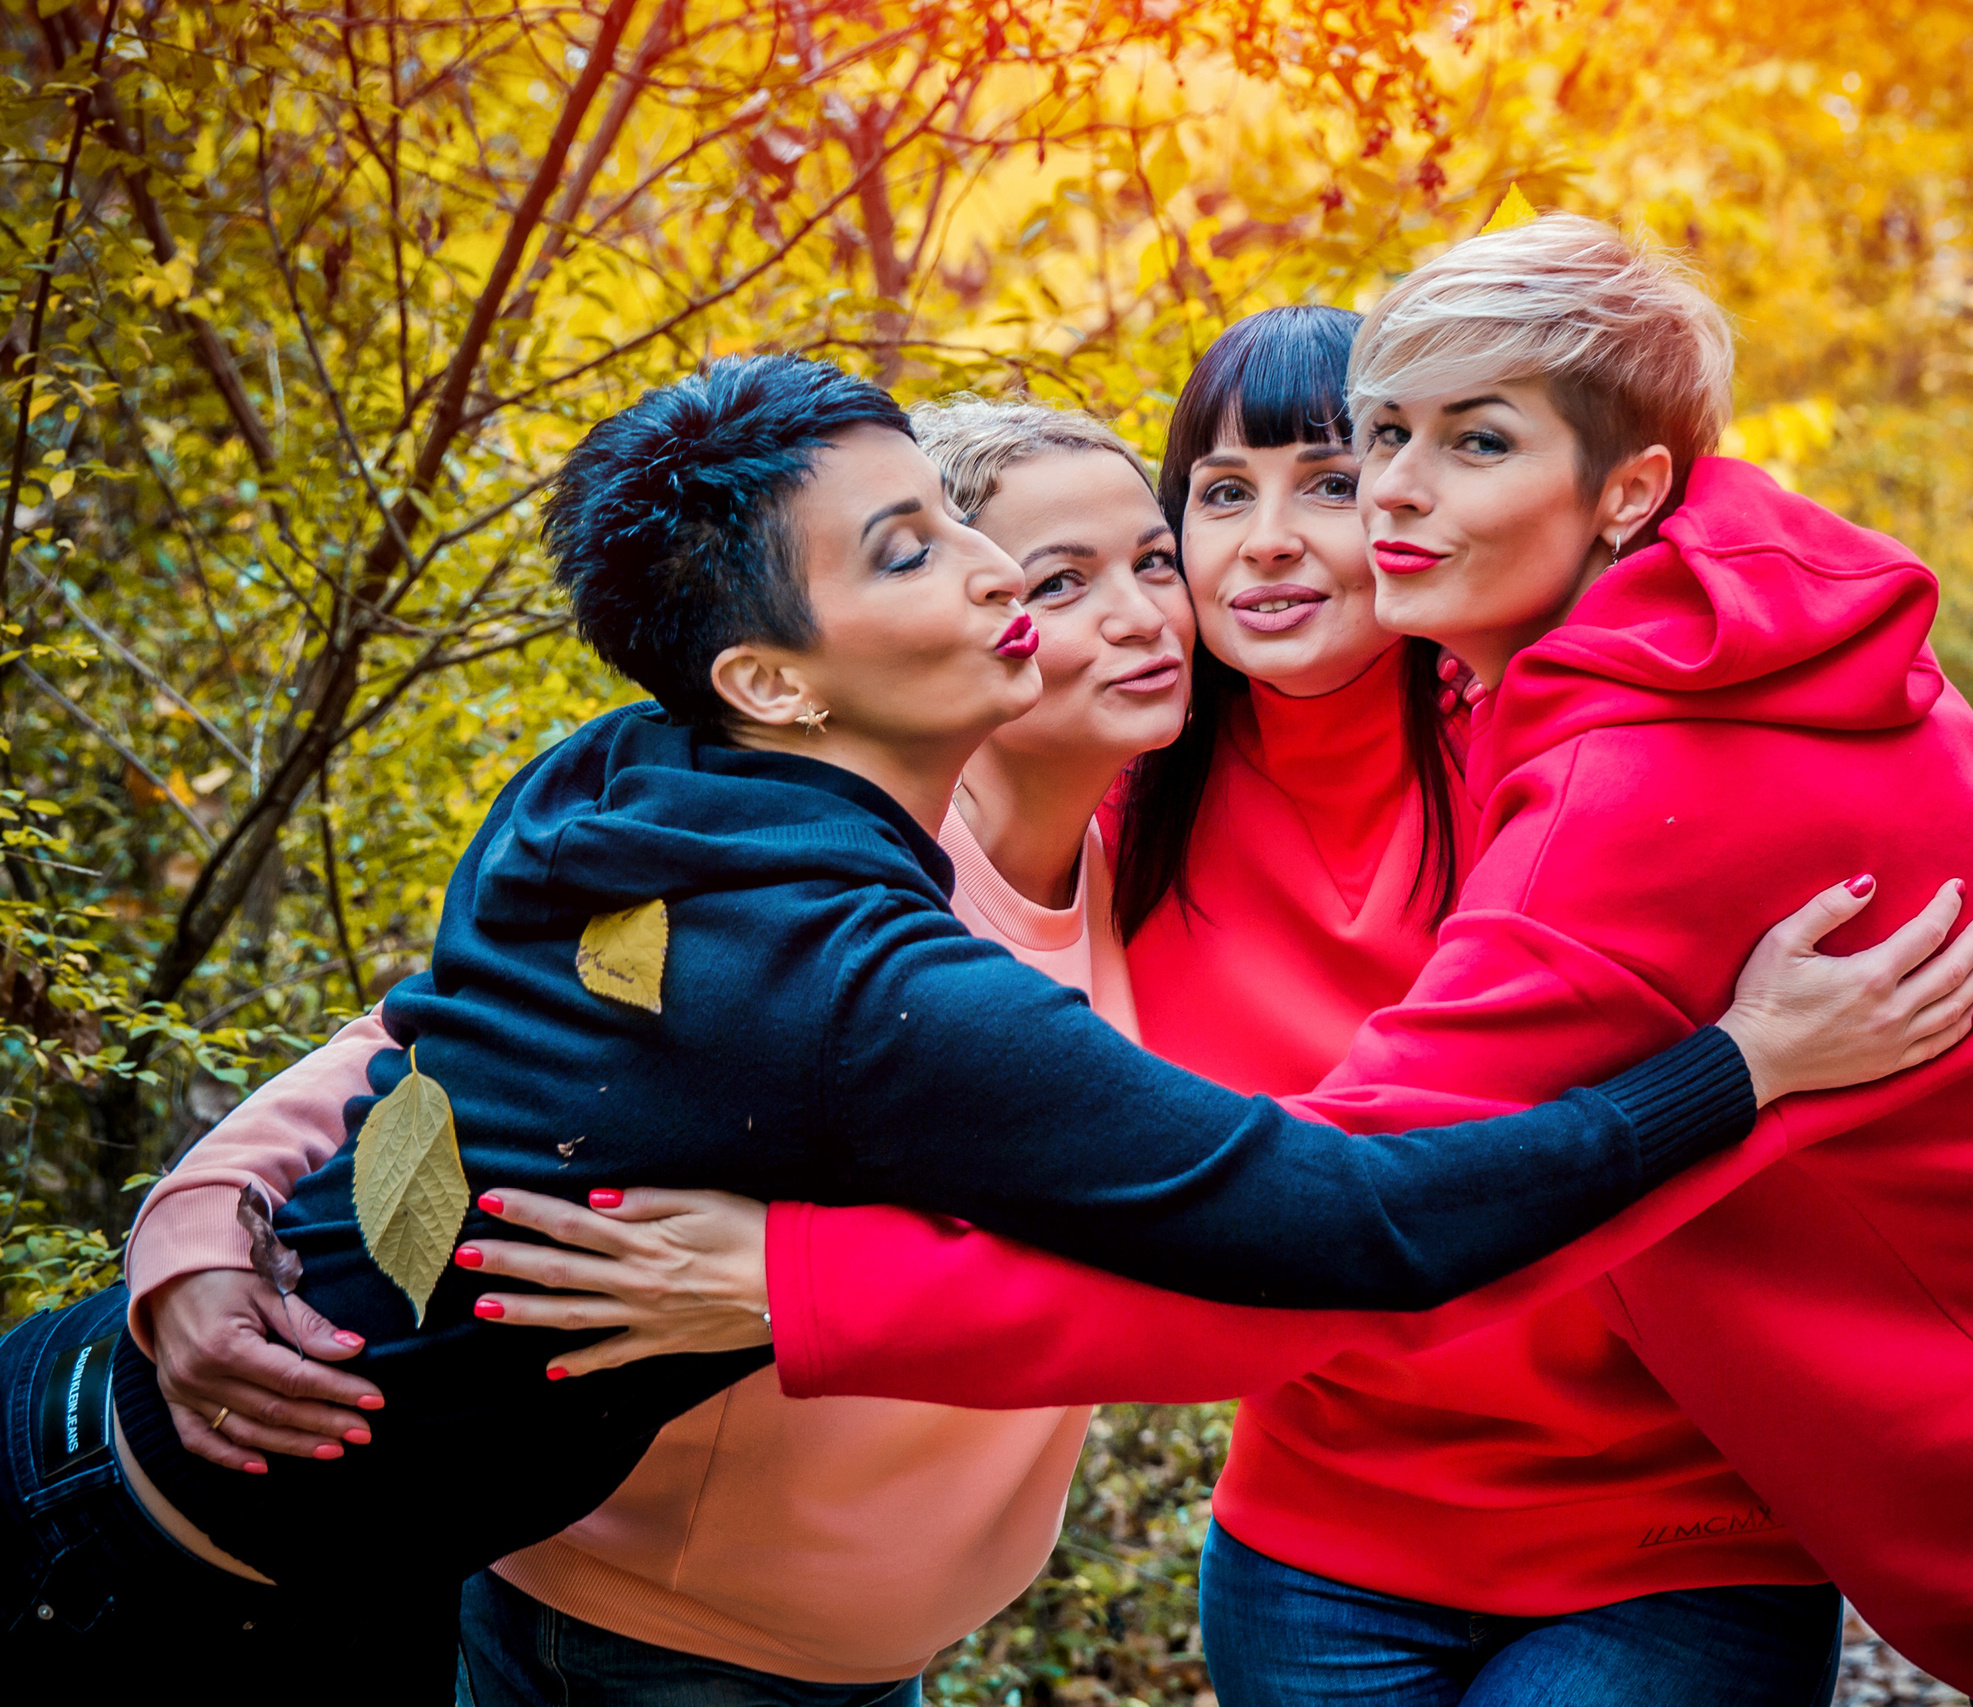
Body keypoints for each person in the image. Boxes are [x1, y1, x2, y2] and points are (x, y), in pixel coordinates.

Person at [489, 222, 1973, 1707]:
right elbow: (656, 917)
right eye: (1219, 494)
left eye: (1363, 466)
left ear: (1613, 493)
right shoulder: (1130, 788)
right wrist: (234, 1224)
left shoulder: (1540, 745)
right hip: (1324, 1523)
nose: (1304, 526)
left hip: (1679, 1516)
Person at [0, 353, 1973, 1695]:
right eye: (1000, 564)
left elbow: (1803, 781)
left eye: (1145, 554)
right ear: (773, 680)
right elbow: (1345, 1225)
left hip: (749, 1616)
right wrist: (1738, 1073)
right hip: (470, 1590)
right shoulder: (840, 945)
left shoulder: (1099, 829)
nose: (1094, 605)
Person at [118, 399, 1193, 1704]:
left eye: (1155, 560)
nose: (1140, 614)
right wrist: (192, 1224)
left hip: (874, 1645)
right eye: (1057, 580)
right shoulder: (805, 890)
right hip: (657, 1631)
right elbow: (428, 1036)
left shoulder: (1141, 858)